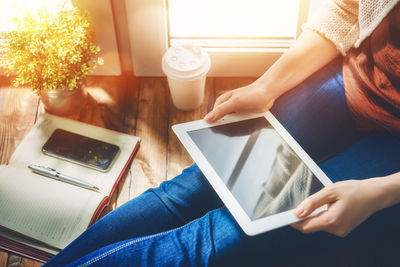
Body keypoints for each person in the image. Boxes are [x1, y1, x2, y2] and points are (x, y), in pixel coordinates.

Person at [45, 0, 400, 266]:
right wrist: (267, 86)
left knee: (220, 237)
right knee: (194, 187)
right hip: (351, 80)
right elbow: (349, 9)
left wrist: (382, 192)